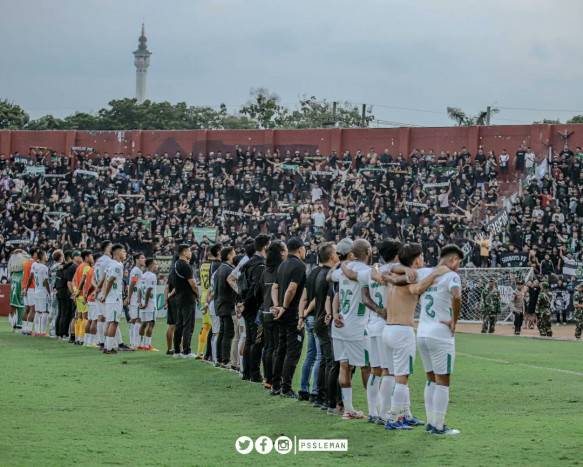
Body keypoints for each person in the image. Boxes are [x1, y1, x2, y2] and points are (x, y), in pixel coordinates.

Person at [382, 243, 448, 430]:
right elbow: (416, 290)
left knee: (396, 376)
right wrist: (435, 274)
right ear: (417, 258)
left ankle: (404, 415)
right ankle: (393, 419)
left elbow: (385, 271)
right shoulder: (412, 278)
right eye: (421, 256)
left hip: (388, 329)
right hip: (402, 331)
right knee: (402, 378)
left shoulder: (395, 275)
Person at [342, 239, 401, 425]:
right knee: (389, 372)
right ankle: (385, 414)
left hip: (371, 326)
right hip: (388, 325)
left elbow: (361, 291)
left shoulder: (370, 272)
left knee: (375, 371)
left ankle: (373, 413)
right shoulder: (393, 271)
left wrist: (343, 263)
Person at [416, 244, 463, 436]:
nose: (458, 266)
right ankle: (438, 426)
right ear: (453, 260)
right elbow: (457, 296)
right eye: (459, 262)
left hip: (422, 332)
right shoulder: (452, 275)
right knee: (443, 380)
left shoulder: (425, 273)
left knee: (430, 379)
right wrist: (454, 320)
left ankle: (430, 423)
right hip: (440, 333)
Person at [330, 239, 373, 420]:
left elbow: (329, 276)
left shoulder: (341, 269)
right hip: (357, 326)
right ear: (368, 251)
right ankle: (374, 410)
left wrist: (342, 265)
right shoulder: (366, 271)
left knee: (344, 366)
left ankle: (348, 410)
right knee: (367, 367)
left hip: (340, 324)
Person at [270, 236, 307, 398]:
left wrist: (277, 305)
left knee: (281, 349)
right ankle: (286, 388)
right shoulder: (299, 265)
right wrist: (284, 307)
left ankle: (275, 385)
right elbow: (292, 289)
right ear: (300, 249)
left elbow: (275, 287)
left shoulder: (283, 264)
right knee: (292, 351)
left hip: (282, 314)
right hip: (292, 314)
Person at [239, 234, 270, 382]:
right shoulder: (259, 264)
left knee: (250, 340)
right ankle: (255, 373)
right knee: (258, 341)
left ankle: (247, 372)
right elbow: (255, 287)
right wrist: (245, 302)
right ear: (265, 246)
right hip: (254, 307)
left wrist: (242, 302)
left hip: (247, 307)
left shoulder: (249, 262)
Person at [260, 240, 288, 391]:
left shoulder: (266, 270)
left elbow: (259, 292)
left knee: (268, 347)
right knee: (277, 348)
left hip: (265, 312)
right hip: (277, 312)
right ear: (282, 252)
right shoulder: (282, 269)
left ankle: (267, 378)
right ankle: (276, 380)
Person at [99, 244, 130, 354]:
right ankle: (109, 348)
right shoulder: (118, 265)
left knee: (109, 322)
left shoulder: (109, 264)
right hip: (115, 298)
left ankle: (107, 346)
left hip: (110, 298)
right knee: (114, 323)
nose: (125, 254)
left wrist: (104, 294)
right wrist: (106, 294)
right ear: (118, 253)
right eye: (124, 252)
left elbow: (105, 280)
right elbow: (111, 280)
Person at [172, 244, 200, 359]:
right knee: (188, 324)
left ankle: (177, 351)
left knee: (179, 324)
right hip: (188, 297)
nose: (191, 253)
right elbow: (193, 284)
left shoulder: (175, 264)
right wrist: (197, 294)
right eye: (189, 251)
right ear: (184, 253)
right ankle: (187, 351)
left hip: (179, 297)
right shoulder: (185, 265)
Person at [197, 243, 223, 358]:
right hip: (211, 296)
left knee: (206, 326)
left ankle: (201, 352)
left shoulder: (203, 264)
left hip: (204, 294)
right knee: (214, 328)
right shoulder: (217, 265)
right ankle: (210, 354)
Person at [213, 247, 237, 367]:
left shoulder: (219, 269)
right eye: (234, 254)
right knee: (228, 333)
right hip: (227, 304)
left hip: (219, 304)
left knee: (222, 333)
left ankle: (219, 358)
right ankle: (226, 360)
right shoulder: (229, 271)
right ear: (229, 256)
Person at [93, 241, 113, 349]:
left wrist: (97, 289)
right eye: (111, 246)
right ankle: (108, 342)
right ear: (107, 248)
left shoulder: (98, 261)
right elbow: (106, 278)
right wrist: (104, 293)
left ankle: (100, 341)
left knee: (100, 317)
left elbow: (95, 277)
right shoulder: (108, 261)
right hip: (105, 292)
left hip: (99, 290)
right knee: (107, 318)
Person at [137, 258, 159, 351]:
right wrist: (146, 302)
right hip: (149, 303)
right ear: (151, 265)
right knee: (151, 323)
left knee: (144, 323)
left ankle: (140, 344)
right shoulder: (152, 276)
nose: (156, 266)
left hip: (142, 302)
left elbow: (139, 290)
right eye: (155, 264)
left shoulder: (143, 275)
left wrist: (140, 302)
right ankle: (147, 345)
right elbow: (149, 290)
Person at [72, 250, 93, 345]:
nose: (92, 258)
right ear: (86, 257)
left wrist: (75, 291)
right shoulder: (86, 267)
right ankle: (83, 338)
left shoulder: (79, 267)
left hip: (78, 295)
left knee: (79, 317)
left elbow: (75, 280)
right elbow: (83, 281)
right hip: (82, 295)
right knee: (85, 317)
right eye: (91, 256)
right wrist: (79, 292)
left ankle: (78, 338)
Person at [126, 253, 146, 349]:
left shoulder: (137, 270)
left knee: (135, 319)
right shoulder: (136, 271)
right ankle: (134, 343)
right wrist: (129, 297)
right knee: (137, 319)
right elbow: (133, 283)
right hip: (135, 298)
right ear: (137, 260)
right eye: (142, 258)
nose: (144, 260)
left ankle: (133, 342)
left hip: (135, 298)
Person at [32, 250, 51, 337]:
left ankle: (37, 330)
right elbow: (46, 281)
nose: (46, 257)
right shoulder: (44, 267)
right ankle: (43, 331)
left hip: (36, 290)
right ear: (43, 257)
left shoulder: (35, 267)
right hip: (43, 291)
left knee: (38, 311)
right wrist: (49, 292)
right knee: (45, 311)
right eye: (45, 255)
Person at [21, 248, 38, 336]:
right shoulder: (34, 264)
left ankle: (24, 329)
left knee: (26, 308)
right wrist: (27, 288)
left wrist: (23, 289)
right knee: (32, 308)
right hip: (31, 288)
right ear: (34, 253)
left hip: (25, 287)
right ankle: (29, 329)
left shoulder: (26, 263)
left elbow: (23, 277)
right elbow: (31, 277)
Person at [83, 254, 99, 348]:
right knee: (95, 320)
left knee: (90, 319)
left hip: (89, 297)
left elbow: (86, 284)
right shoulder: (96, 270)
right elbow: (93, 285)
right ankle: (92, 341)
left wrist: (86, 295)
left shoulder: (89, 270)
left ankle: (86, 340)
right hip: (94, 297)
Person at [164, 255, 177, 355]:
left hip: (171, 300)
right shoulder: (180, 269)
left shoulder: (172, 271)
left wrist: (166, 299)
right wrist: (170, 295)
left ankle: (169, 349)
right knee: (179, 326)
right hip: (177, 299)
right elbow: (177, 287)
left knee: (171, 325)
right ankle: (179, 349)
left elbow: (167, 287)